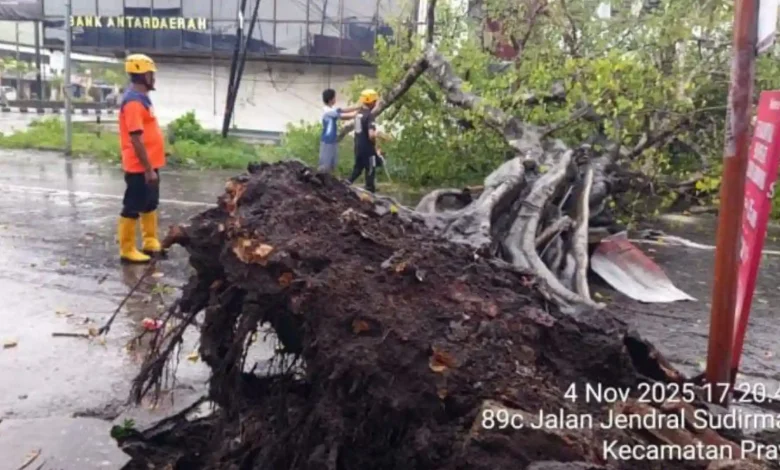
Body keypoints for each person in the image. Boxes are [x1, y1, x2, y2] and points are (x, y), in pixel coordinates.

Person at [117, 53, 166, 264]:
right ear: (142, 75)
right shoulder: (133, 102)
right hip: (140, 167)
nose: (153, 78)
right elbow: (135, 138)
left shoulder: (143, 99)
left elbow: (148, 132)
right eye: (151, 74)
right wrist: (147, 169)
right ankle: (127, 249)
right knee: (133, 205)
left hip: (151, 164)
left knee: (150, 202)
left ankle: (150, 241)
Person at [318, 88, 358, 174]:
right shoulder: (328, 111)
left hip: (333, 140)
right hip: (327, 141)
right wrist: (356, 114)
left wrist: (358, 107)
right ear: (330, 100)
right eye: (334, 98)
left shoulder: (332, 109)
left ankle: (331, 181)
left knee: (333, 163)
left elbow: (343, 110)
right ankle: (321, 182)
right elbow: (344, 116)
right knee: (325, 165)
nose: (335, 99)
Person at [349, 89, 381, 192]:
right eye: (375, 101)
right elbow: (371, 135)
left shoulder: (358, 114)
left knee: (357, 169)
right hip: (368, 149)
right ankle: (370, 192)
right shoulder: (370, 115)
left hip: (358, 147)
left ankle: (345, 184)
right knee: (370, 170)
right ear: (371, 102)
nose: (376, 103)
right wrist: (377, 135)